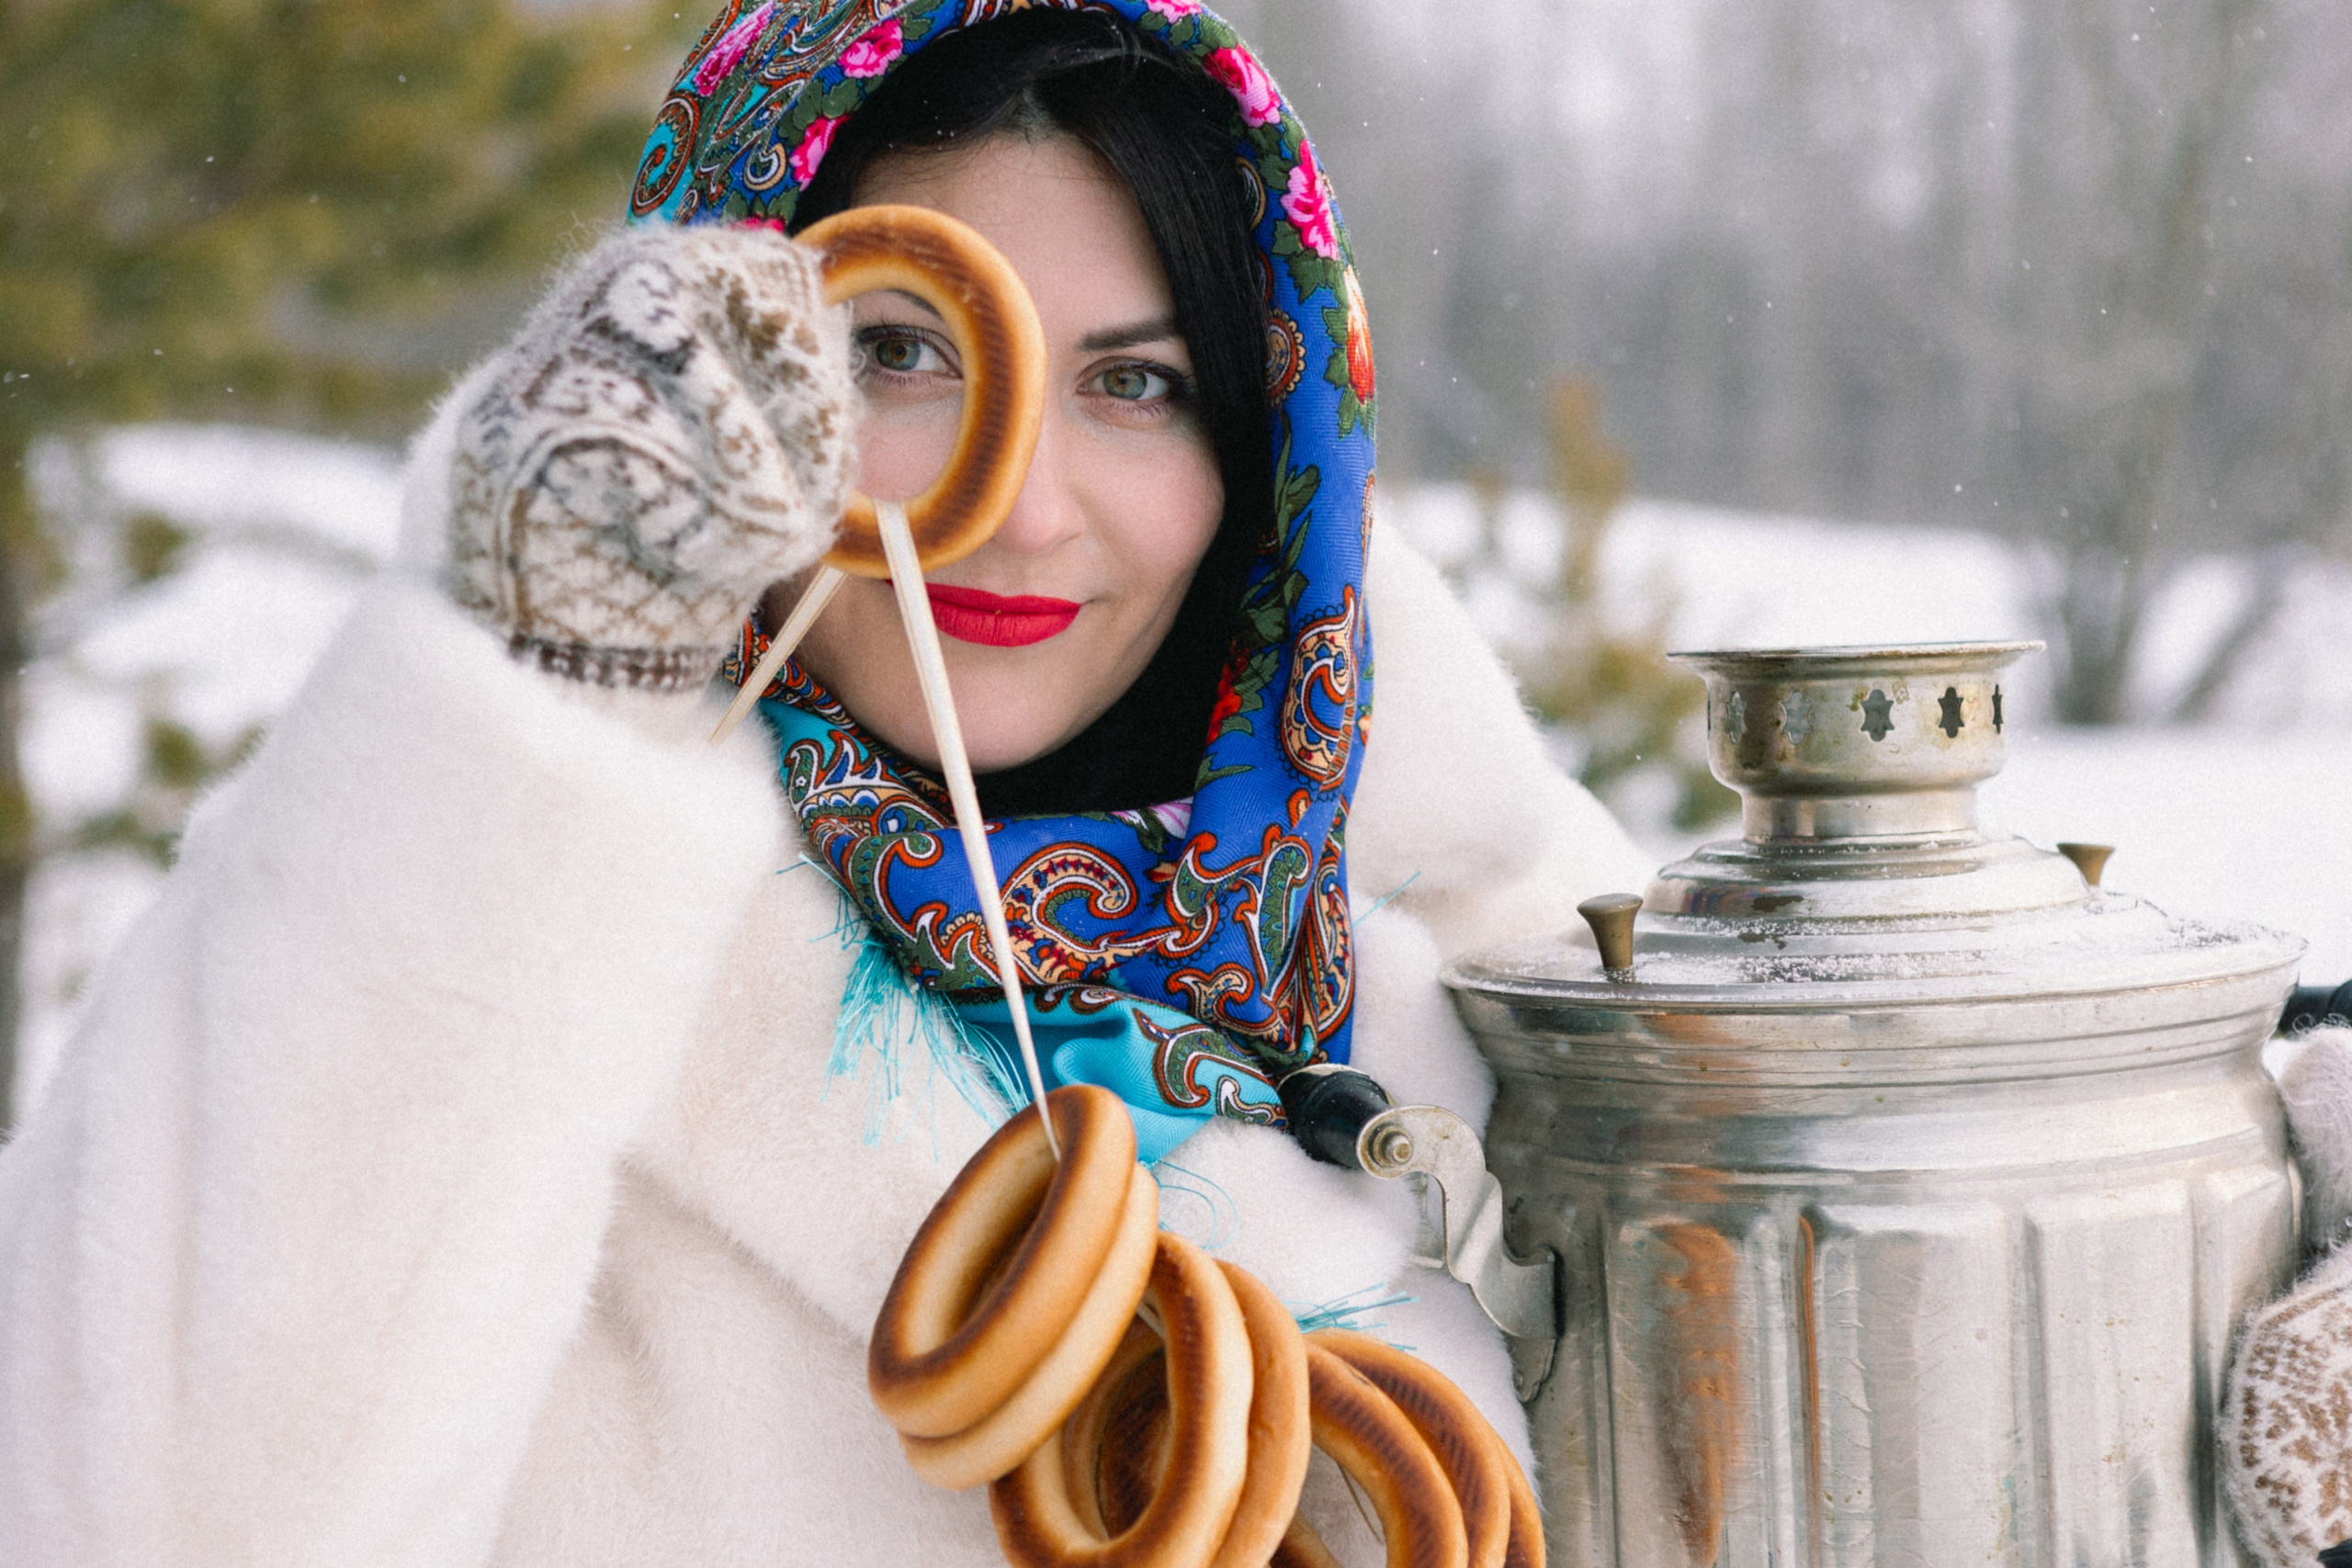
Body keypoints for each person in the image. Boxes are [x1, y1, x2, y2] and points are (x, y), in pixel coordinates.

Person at [0, 3, 1651, 1563]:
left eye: (1139, 383)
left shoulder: (1478, 950)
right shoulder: (451, 917)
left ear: (1272, 436)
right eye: (895, 355)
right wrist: (549, 699)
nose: (1025, 506)